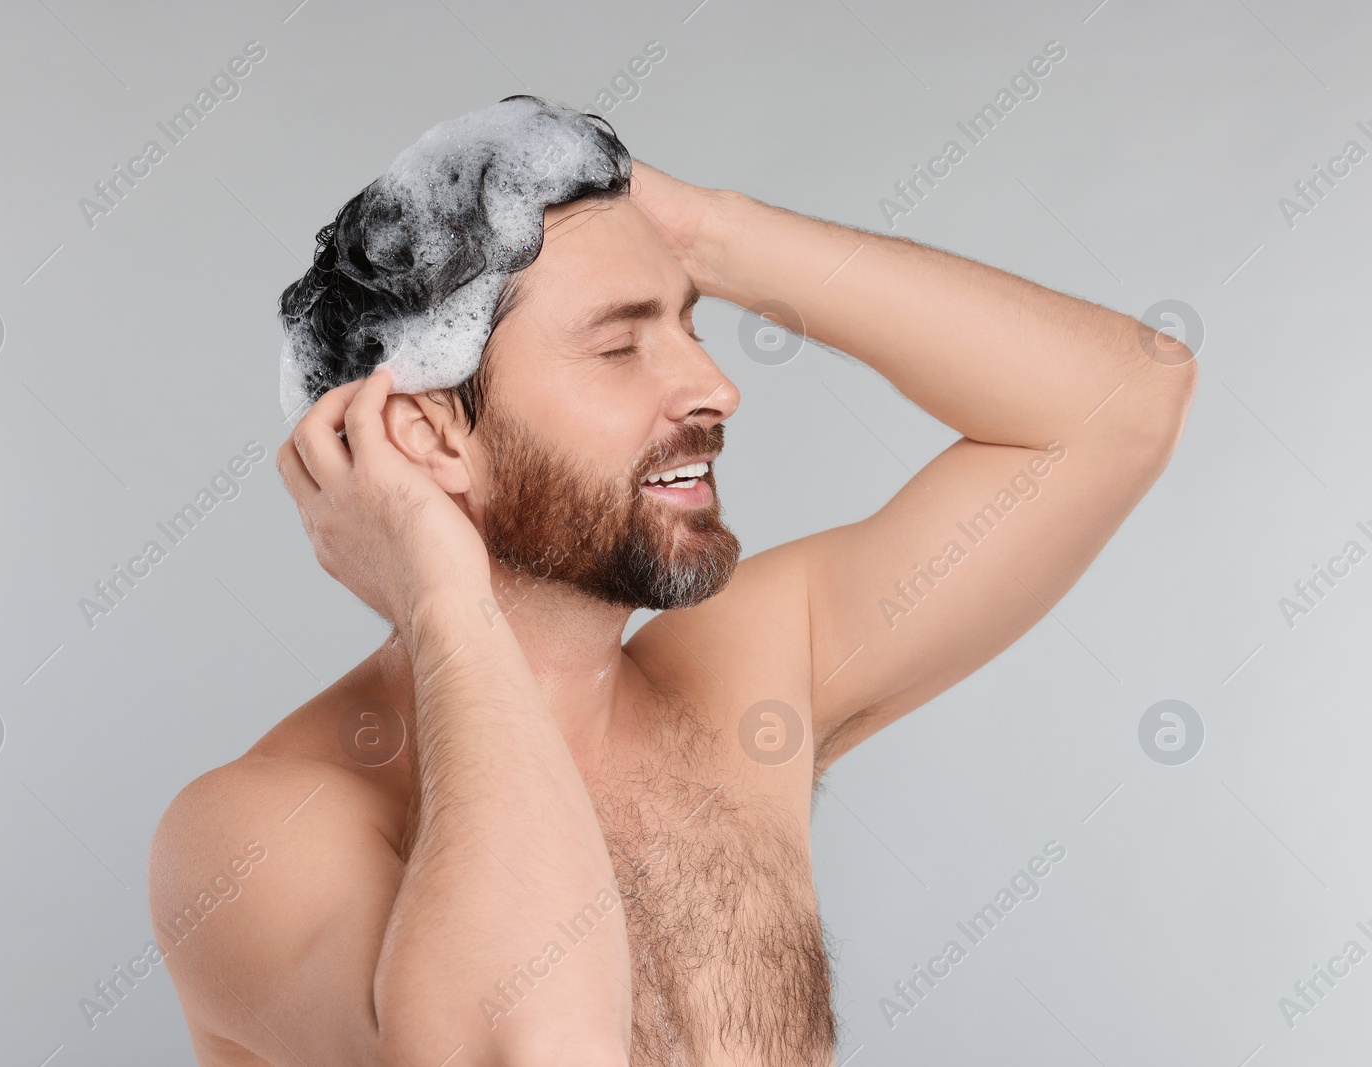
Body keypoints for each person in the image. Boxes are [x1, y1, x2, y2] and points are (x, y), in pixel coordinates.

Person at [149, 96, 1196, 1066]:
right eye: (617, 346)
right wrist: (437, 597)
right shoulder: (259, 835)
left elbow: (1116, 406)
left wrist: (699, 231)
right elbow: (533, 1046)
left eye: (686, 321)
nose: (714, 385)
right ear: (424, 436)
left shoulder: (739, 684)